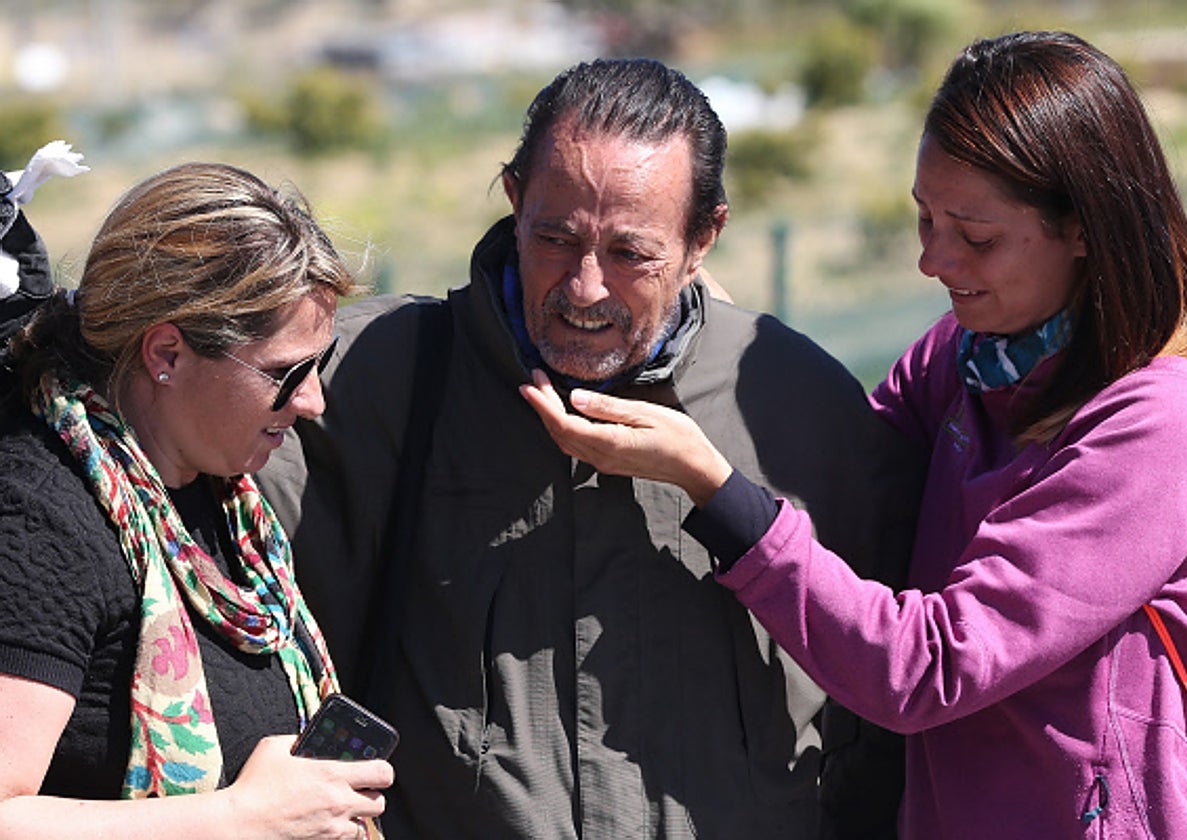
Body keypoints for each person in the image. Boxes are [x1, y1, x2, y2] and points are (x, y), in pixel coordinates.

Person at [521, 31, 1187, 838]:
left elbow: (926, 669)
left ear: (1087, 227)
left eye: (975, 237)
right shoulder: (964, 359)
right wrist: (708, 332)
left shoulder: (1160, 425)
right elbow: (846, 480)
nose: (933, 260)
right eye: (924, 219)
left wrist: (710, 485)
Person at [259, 58, 923, 838]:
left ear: (703, 237)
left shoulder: (795, 404)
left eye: (629, 255)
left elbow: (889, 705)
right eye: (555, 238)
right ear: (513, 198)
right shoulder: (368, 381)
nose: (584, 288)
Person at [0, 161, 392, 838]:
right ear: (167, 355)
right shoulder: (42, 521)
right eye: (284, 372)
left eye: (318, 367)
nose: (312, 401)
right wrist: (242, 816)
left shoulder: (225, 504)